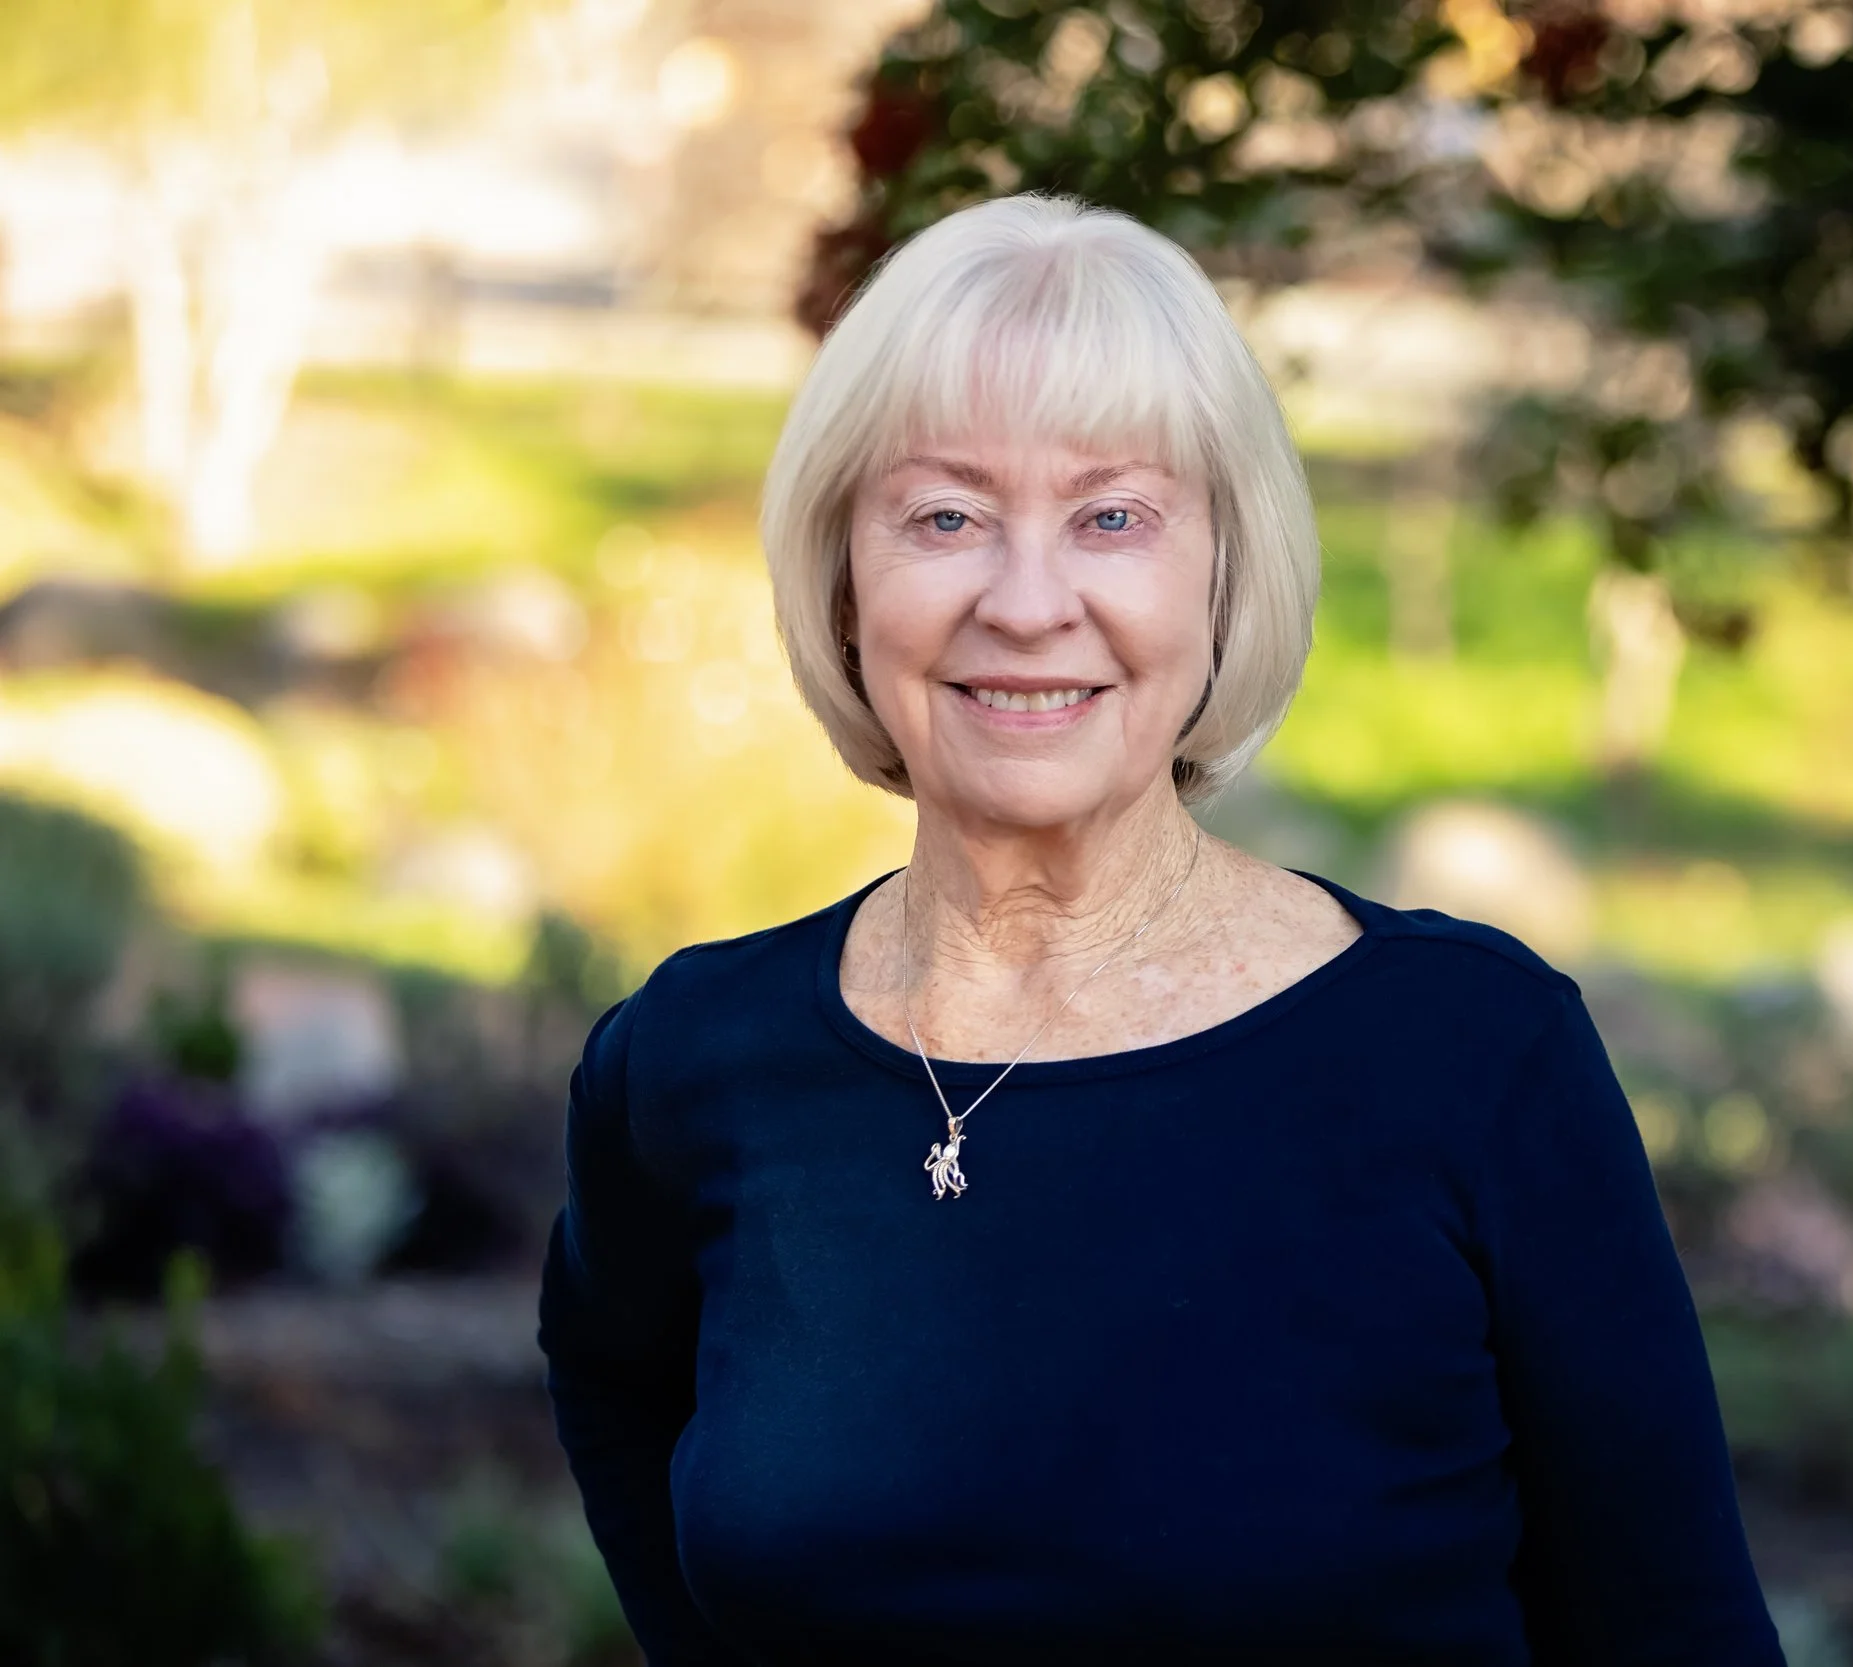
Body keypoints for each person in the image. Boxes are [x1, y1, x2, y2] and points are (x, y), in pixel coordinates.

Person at [536, 191, 1786, 1667]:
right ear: (844, 582)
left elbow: (1678, 1631)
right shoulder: (693, 1060)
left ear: (1219, 572)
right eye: (946, 516)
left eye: (1112, 517)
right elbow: (613, 1382)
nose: (1026, 601)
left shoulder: (1471, 1058)